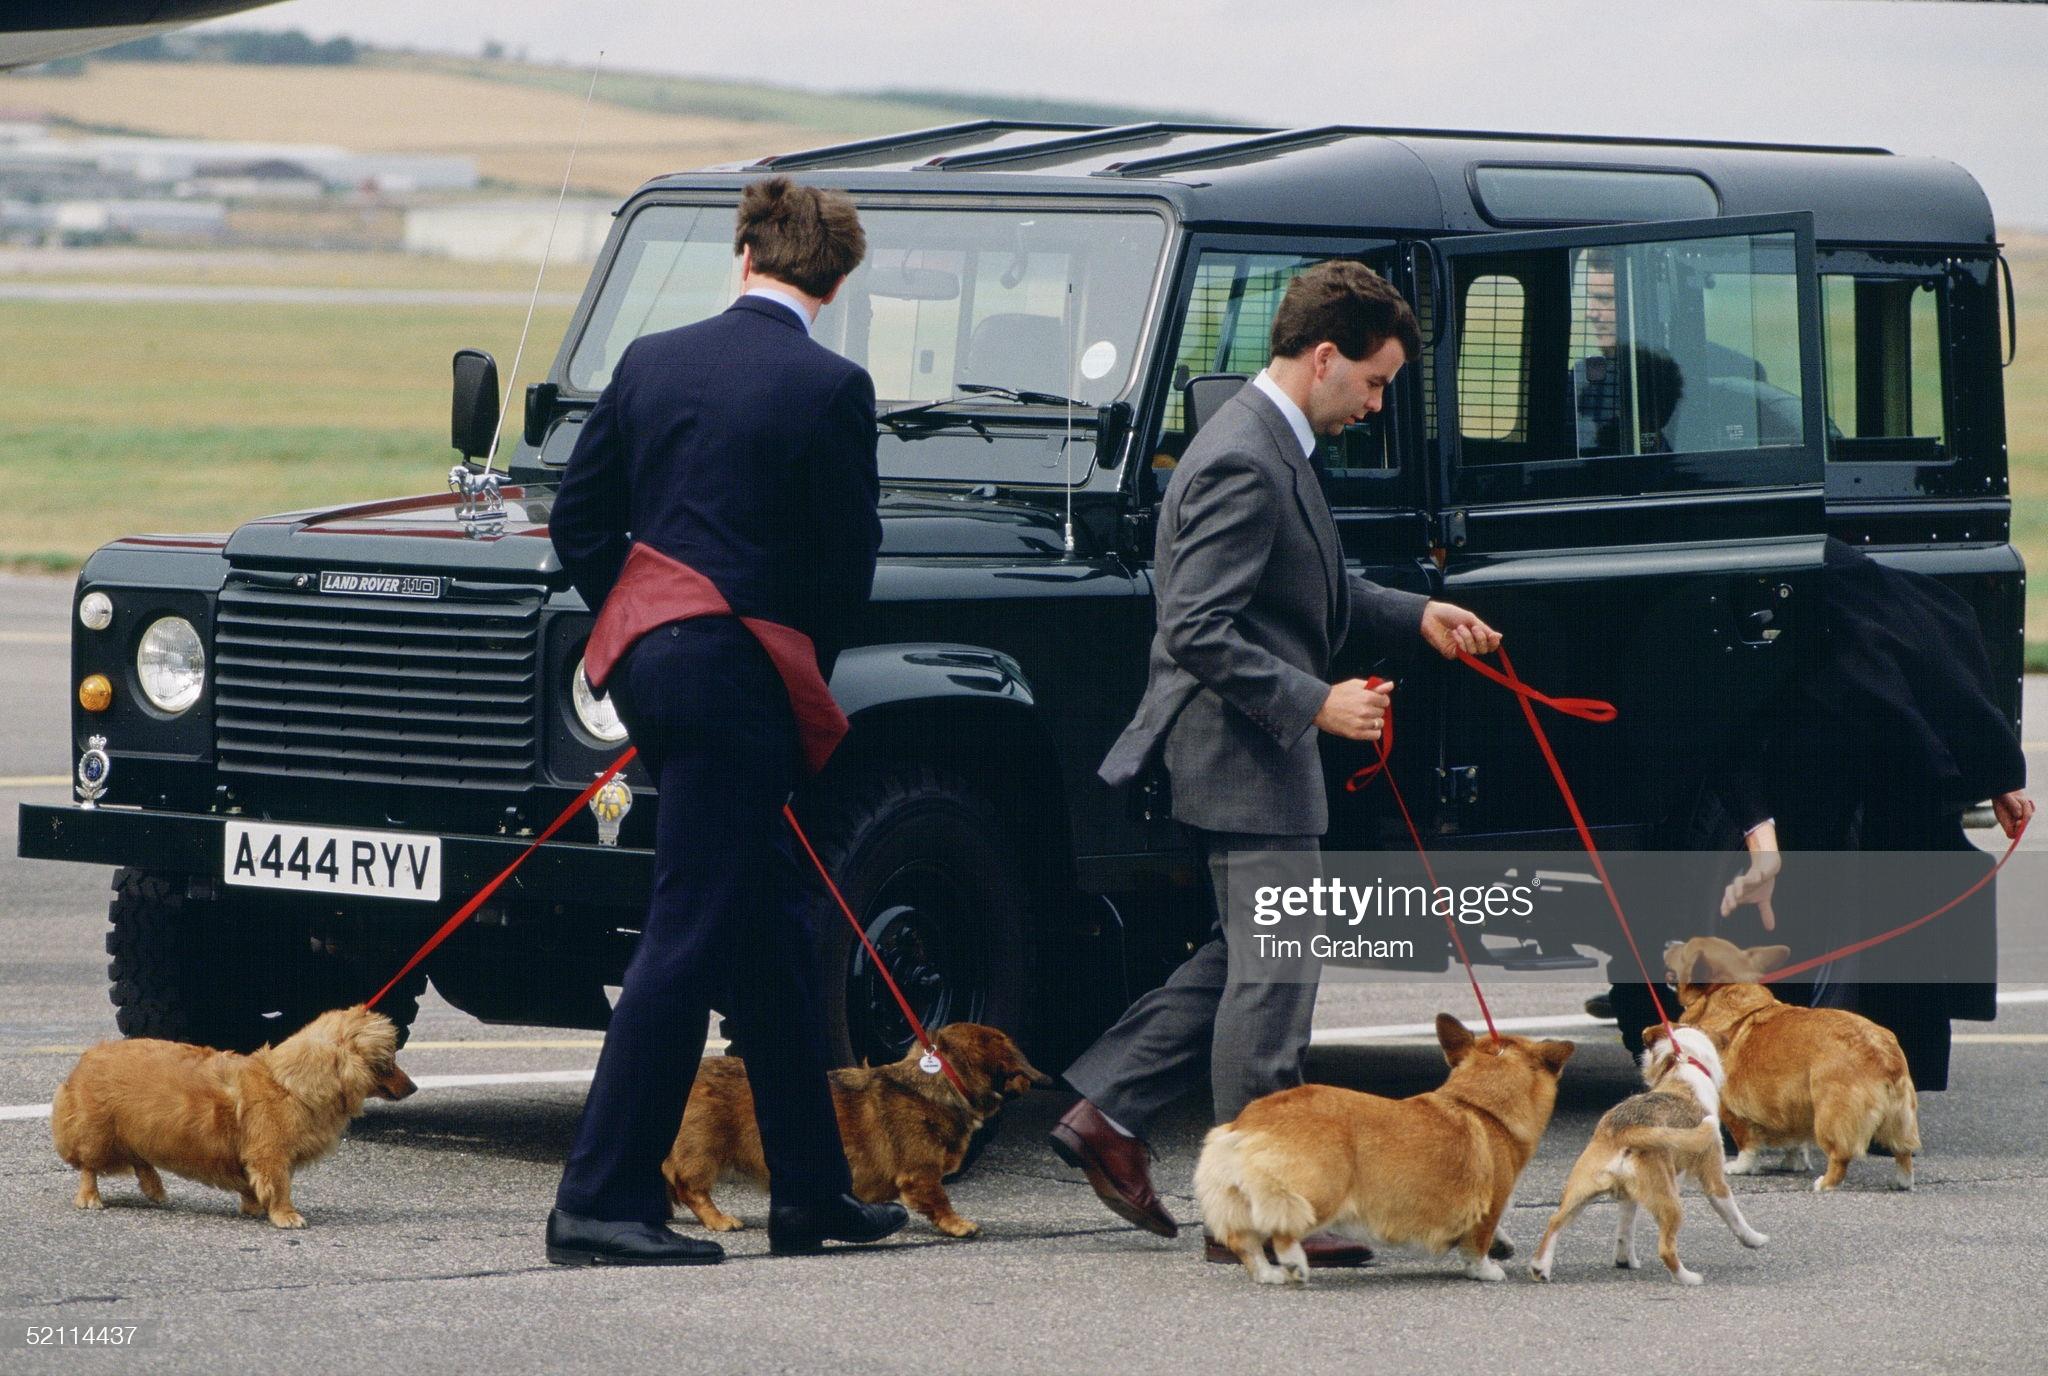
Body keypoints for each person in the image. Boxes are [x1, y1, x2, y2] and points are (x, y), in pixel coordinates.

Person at [1054, 261, 1502, 1265]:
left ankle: (1101, 1108)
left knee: (1236, 961)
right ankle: (1254, 1211)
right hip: (1246, 758)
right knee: (1273, 983)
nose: (1375, 403)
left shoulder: (1270, 443)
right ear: (1323, 356)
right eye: (1374, 382)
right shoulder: (1245, 458)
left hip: (1252, 754)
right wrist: (1317, 700)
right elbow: (1197, 627)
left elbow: (1311, 582)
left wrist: (1413, 611)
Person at [543, 176, 902, 1266]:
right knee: (687, 933)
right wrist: (786, 670)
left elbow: (578, 520)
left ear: (742, 251)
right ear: (836, 281)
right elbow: (844, 571)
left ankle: (810, 1191)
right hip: (744, 686)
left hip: (654, 670)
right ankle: (597, 1199)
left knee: (774, 930)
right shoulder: (831, 385)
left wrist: (650, 622)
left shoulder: (652, 360)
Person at [1611, 538, 2032, 1088]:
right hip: (1831, 787)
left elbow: (1727, 742)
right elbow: (1949, 664)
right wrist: (1998, 771)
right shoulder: (1878, 614)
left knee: (1863, 932)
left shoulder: (1831, 617)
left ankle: (1836, 1081)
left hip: (1866, 790)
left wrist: (1999, 773)